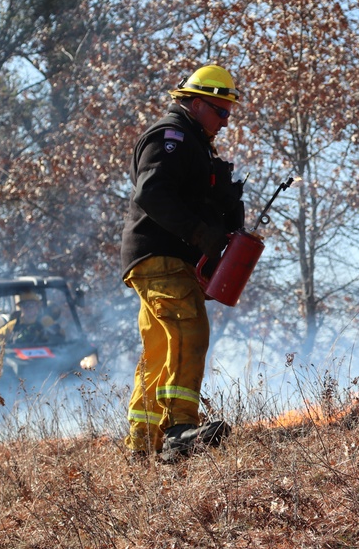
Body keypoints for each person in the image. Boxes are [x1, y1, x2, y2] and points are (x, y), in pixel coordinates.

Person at [120, 64, 245, 459]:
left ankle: (142, 446)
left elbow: (189, 196)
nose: (225, 122)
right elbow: (152, 193)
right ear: (195, 103)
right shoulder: (171, 136)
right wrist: (197, 231)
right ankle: (180, 430)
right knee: (189, 329)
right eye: (220, 111)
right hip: (162, 257)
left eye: (229, 113)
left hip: (164, 260)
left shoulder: (195, 144)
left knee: (159, 350)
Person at [0, 291, 65, 348]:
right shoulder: (14, 324)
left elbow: (61, 336)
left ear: (37, 307)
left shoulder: (46, 321)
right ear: (21, 308)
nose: (28, 308)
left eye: (31, 305)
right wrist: (5, 349)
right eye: (25, 305)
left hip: (44, 360)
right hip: (20, 361)